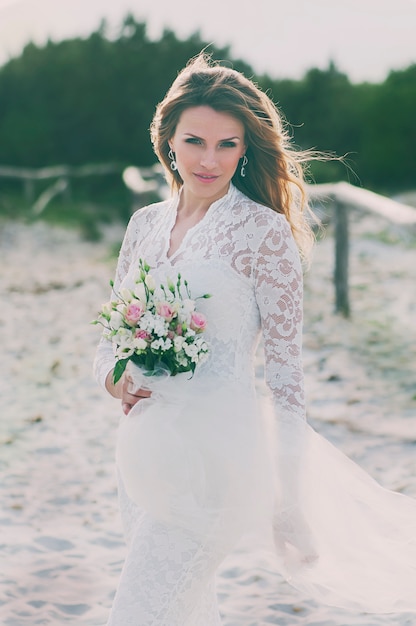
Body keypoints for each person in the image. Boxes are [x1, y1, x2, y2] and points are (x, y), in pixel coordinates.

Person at [94, 54, 416, 625]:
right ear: (167, 139)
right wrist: (114, 376)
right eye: (195, 141)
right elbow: (111, 334)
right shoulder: (144, 223)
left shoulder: (263, 233)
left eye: (228, 145)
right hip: (143, 456)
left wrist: (289, 502)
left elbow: (286, 374)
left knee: (136, 612)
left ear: (246, 150)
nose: (209, 159)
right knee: (181, 612)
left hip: (217, 462)